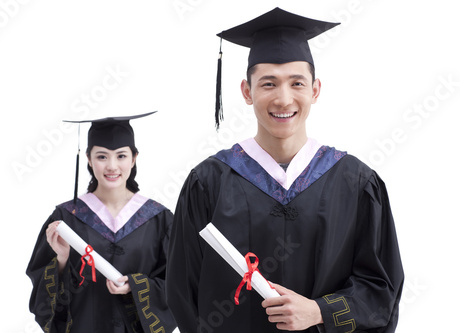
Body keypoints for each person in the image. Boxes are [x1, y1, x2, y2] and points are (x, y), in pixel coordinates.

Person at [166, 7, 404, 333]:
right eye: (268, 84)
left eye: (296, 83)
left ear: (315, 90)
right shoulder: (209, 183)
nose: (283, 98)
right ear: (247, 92)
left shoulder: (355, 183)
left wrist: (320, 311)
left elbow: (381, 292)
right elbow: (183, 294)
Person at [26, 112, 176, 333]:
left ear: (134, 158)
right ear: (89, 159)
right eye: (102, 156)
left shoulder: (158, 219)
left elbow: (178, 286)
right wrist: (62, 260)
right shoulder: (66, 218)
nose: (112, 166)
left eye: (121, 156)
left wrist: (135, 287)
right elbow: (43, 301)